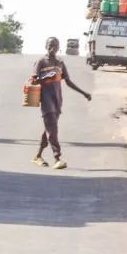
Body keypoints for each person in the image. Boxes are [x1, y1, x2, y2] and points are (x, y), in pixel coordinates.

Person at [31, 36, 92, 170]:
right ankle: (57, 158)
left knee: (49, 130)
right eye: (50, 45)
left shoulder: (60, 63)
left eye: (55, 45)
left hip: (57, 100)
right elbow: (34, 80)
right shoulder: (40, 62)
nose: (52, 48)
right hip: (45, 99)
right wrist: (46, 77)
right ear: (46, 46)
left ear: (59, 47)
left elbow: (68, 81)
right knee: (52, 129)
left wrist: (84, 93)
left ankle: (38, 156)